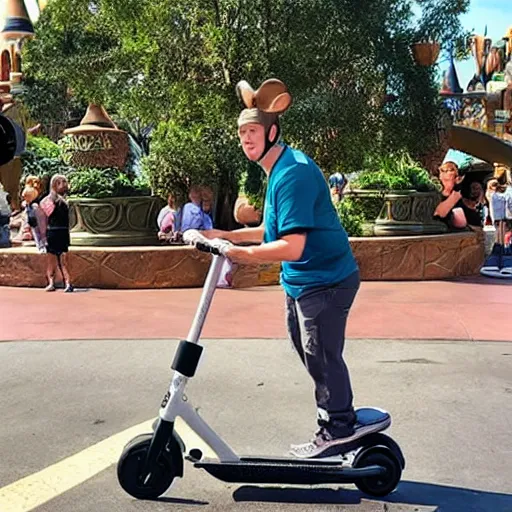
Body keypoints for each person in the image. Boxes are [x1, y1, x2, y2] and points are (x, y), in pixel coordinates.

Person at [201, 78, 388, 458]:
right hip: (303, 281)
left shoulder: (293, 172)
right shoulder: (279, 170)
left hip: (327, 280)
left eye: (252, 131)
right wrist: (227, 235)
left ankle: (339, 425)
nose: (246, 139)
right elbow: (274, 230)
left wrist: (241, 256)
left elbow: (293, 245)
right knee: (310, 352)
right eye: (241, 133)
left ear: (272, 131)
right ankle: (336, 421)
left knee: (321, 354)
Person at [40, 175, 73, 292]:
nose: (64, 185)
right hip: (58, 231)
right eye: (61, 182)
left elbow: (45, 219)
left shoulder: (55, 201)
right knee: (57, 260)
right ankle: (59, 283)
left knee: (57, 260)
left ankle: (60, 283)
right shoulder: (59, 201)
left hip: (57, 231)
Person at [434, 161, 471, 229]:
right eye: (442, 180)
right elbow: (439, 213)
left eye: (447, 180)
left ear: (457, 180)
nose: (443, 183)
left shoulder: (460, 197)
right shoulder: (434, 196)